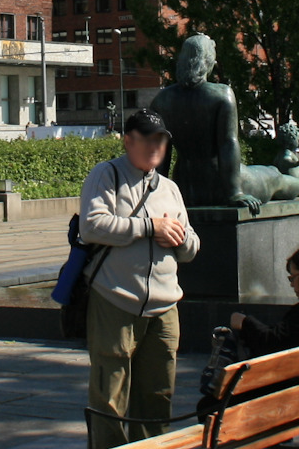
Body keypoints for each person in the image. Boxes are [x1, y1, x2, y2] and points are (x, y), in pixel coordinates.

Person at [80, 111, 201, 449]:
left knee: (158, 395)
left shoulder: (170, 188)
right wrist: (149, 227)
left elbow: (191, 246)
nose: (155, 145)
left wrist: (180, 239)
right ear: (128, 140)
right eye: (147, 137)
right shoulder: (108, 175)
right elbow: (92, 226)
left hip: (165, 308)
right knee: (110, 397)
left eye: (160, 139)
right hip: (115, 301)